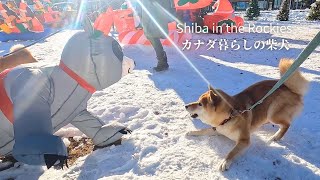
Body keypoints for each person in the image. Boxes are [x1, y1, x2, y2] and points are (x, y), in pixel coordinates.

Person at [137, 0, 175, 72]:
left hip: (152, 19)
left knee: (153, 37)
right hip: (156, 17)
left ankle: (162, 62)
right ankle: (162, 61)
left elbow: (145, 10)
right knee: (154, 38)